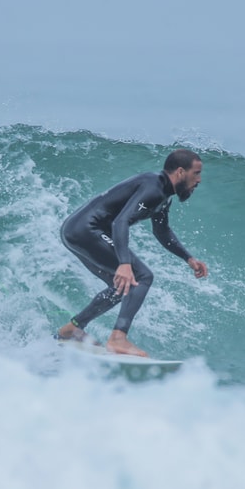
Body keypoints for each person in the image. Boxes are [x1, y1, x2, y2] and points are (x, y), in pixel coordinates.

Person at [55, 148, 208, 357]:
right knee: (141, 276)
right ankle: (118, 338)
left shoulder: (163, 194)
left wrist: (188, 258)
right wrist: (124, 264)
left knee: (120, 287)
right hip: (86, 230)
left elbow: (161, 230)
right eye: (196, 173)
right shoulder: (153, 188)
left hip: (76, 231)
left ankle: (72, 329)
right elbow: (121, 221)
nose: (198, 180)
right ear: (181, 172)